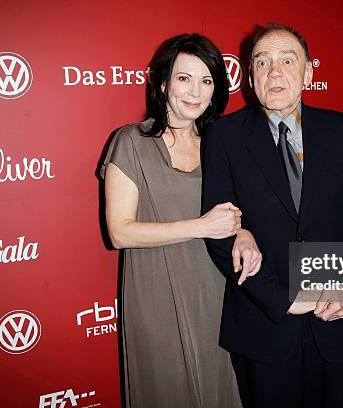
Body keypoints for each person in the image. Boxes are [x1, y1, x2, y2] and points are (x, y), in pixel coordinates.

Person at [201, 24, 343, 408]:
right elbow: (219, 232)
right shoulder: (224, 136)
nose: (274, 72)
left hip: (333, 323)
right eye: (262, 62)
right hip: (263, 326)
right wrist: (283, 298)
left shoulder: (342, 131)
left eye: (287, 60)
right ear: (250, 77)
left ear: (308, 72)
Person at [100, 33, 261, 408]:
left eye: (206, 81)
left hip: (218, 292)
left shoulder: (220, 143)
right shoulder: (131, 141)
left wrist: (246, 233)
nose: (195, 91)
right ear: (162, 83)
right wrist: (199, 226)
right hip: (156, 294)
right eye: (184, 78)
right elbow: (119, 231)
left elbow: (237, 213)